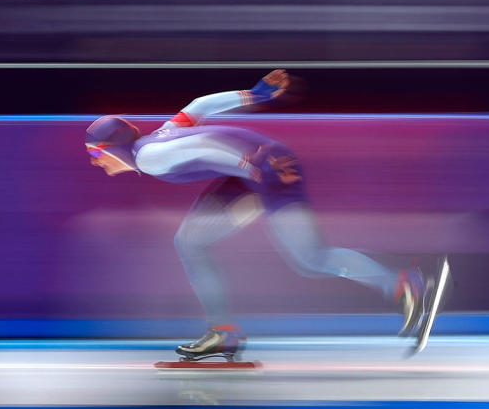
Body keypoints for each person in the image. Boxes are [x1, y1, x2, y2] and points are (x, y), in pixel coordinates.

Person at [85, 70, 429, 361]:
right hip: (250, 174)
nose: (94, 162)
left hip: (267, 170)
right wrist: (254, 95)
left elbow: (205, 147)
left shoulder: (149, 156)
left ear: (112, 147)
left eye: (95, 153)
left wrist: (248, 166)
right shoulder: (159, 137)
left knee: (310, 259)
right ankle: (223, 332)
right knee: (190, 242)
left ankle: (403, 284)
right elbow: (198, 107)